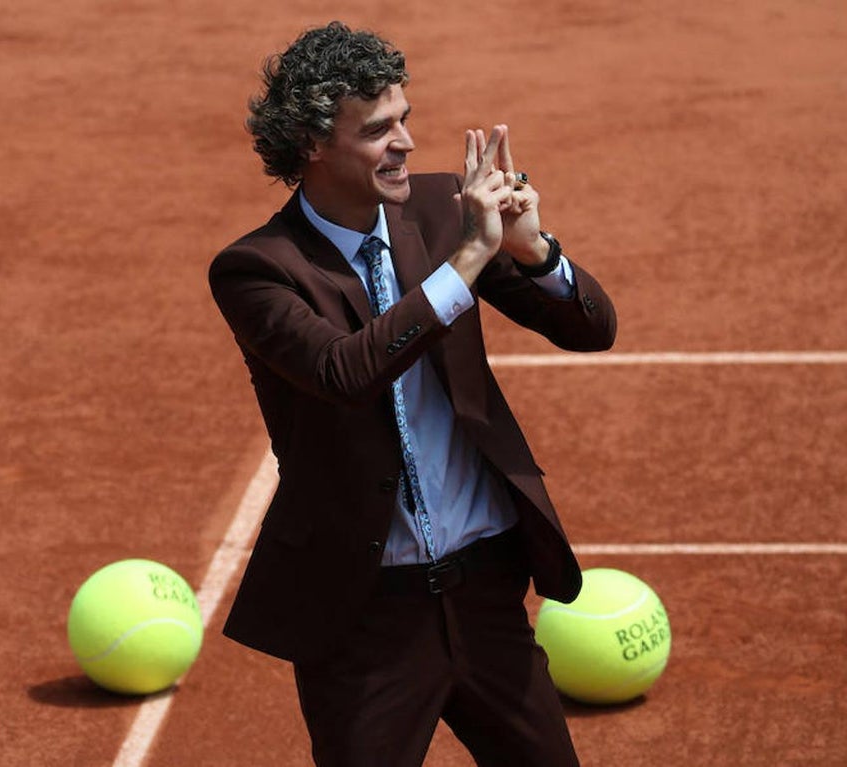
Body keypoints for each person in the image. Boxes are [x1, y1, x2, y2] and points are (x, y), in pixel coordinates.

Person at [208, 21, 616, 767]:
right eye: (376, 130)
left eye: (405, 120)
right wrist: (466, 259)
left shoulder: (438, 210)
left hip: (486, 590)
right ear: (311, 146)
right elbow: (344, 371)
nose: (404, 143)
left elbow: (592, 329)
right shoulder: (257, 270)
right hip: (365, 617)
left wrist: (533, 252)